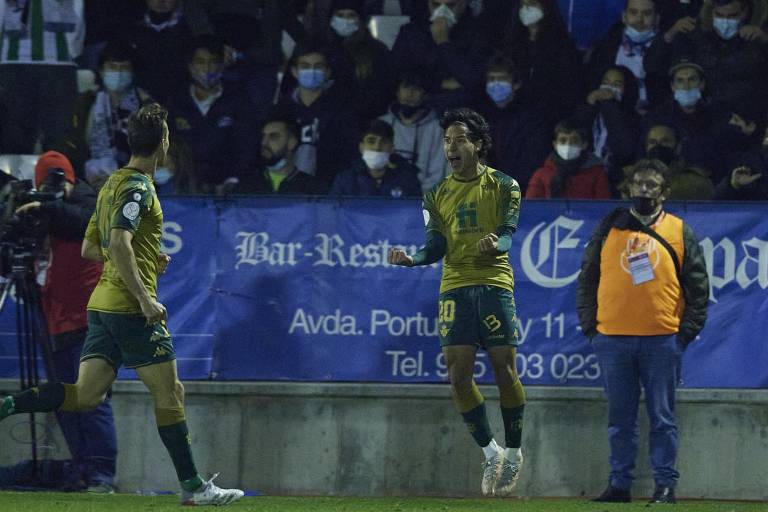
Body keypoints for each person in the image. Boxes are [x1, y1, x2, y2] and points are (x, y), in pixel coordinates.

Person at [0, 104, 244, 506]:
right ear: (163, 145)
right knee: (171, 393)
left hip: (101, 307)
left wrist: (149, 261)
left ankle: (8, 404)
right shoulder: (138, 188)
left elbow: (88, 247)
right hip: (131, 309)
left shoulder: (111, 184)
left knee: (84, 396)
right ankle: (194, 487)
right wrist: (146, 297)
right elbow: (115, 244)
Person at [387, 108, 525, 497]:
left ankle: (514, 450)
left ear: (477, 145)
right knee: (457, 376)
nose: (451, 146)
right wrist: (412, 258)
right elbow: (436, 244)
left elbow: (510, 235)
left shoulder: (504, 185)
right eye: (447, 140)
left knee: (504, 370)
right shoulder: (435, 195)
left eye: (459, 139)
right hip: (455, 286)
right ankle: (491, 451)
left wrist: (497, 242)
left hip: (494, 283)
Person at [576, 158, 709, 504]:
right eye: (639, 183)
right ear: (629, 188)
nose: (644, 190)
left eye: (652, 185)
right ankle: (620, 485)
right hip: (612, 339)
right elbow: (587, 280)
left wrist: (682, 335)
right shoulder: (609, 227)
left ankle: (665, 486)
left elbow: (699, 290)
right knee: (620, 420)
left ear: (664, 192)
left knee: (662, 418)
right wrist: (593, 329)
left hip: (662, 340)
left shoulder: (680, 231)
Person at [0, 151, 117, 493]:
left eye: (59, 183)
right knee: (65, 401)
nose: (52, 192)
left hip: (92, 318)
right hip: (53, 321)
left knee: (92, 399)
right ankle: (83, 468)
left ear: (69, 180)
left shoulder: (88, 202)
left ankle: (102, 475)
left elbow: (90, 222)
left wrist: (48, 207)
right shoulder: (42, 217)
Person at [55, 41, 154, 190]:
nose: (118, 73)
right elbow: (70, 144)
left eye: (124, 68)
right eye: (112, 67)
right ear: (101, 71)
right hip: (88, 180)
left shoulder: (146, 105)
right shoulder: (85, 103)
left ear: (133, 72)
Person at [644, 0, 768, 118]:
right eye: (719, 15)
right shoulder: (694, 35)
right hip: (701, 118)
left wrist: (764, 41)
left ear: (744, 12)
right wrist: (669, 35)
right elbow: (651, 66)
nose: (725, 21)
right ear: (712, 11)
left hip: (748, 116)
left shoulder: (757, 38)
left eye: (732, 16)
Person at [166, 35, 257, 193]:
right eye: (200, 62)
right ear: (190, 66)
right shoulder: (175, 101)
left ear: (222, 66)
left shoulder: (239, 99)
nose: (207, 68)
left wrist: (233, 179)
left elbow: (246, 145)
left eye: (213, 62)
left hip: (228, 186)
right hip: (184, 186)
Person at [0, 0, 84, 153]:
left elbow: (78, 10)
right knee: (13, 135)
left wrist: (71, 50)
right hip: (14, 62)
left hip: (58, 62)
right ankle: (12, 176)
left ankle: (57, 175)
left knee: (59, 135)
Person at [275, 41, 360, 186]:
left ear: (327, 72)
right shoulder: (281, 110)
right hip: (285, 191)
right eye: (305, 66)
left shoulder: (343, 109)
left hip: (327, 191)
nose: (311, 71)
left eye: (318, 66)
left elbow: (348, 156)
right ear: (294, 71)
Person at [391, 0, 490, 114]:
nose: (442, 11)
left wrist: (442, 41)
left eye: (451, 5)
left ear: (463, 4)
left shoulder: (479, 33)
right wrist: (440, 83)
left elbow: (473, 80)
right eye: (435, 5)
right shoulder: (411, 32)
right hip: (417, 107)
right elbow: (398, 73)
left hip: (460, 109)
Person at [474, 52, 551, 194]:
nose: (496, 84)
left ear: (516, 84)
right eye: (491, 79)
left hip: (521, 193)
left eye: (502, 79)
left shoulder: (532, 118)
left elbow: (533, 160)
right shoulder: (478, 117)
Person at [495, 0, 583, 123]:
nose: (526, 9)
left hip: (548, 115)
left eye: (531, 4)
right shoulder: (512, 43)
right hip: (514, 113)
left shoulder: (562, 46)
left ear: (545, 8)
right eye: (523, 5)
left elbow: (568, 88)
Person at [379, 71, 446, 194]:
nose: (410, 93)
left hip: (420, 200)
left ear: (425, 95)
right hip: (385, 198)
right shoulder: (383, 123)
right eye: (405, 87)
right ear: (398, 92)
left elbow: (437, 173)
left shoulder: (437, 129)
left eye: (416, 89)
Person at [586, 0, 661, 110]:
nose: (639, 19)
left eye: (647, 13)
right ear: (623, 16)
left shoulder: (668, 49)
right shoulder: (606, 47)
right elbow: (592, 84)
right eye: (633, 12)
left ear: (657, 19)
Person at [236, 109, 327, 195]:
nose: (264, 143)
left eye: (273, 137)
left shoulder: (314, 190)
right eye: (263, 137)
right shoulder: (245, 187)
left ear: (292, 143)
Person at [616, 124, 714, 200]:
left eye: (665, 141)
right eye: (652, 142)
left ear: (678, 147)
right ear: (646, 148)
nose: (658, 146)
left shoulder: (695, 181)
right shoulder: (630, 177)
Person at [330, 119, 421, 197]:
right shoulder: (346, 179)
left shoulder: (407, 179)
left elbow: (415, 214)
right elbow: (334, 212)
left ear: (391, 149)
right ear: (361, 147)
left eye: (383, 142)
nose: (377, 147)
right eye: (371, 141)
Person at [526, 119, 612, 199]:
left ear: (584, 145)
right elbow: (532, 208)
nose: (568, 145)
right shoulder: (541, 174)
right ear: (555, 144)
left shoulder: (597, 174)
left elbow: (603, 208)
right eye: (563, 140)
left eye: (574, 140)